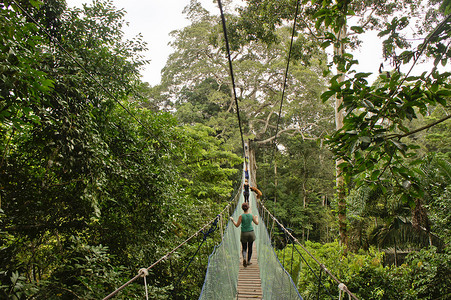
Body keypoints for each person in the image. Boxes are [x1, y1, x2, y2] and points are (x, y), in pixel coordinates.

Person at [230, 202, 259, 267]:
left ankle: (244, 258)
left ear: (242, 209)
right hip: (251, 233)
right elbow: (257, 223)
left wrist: (232, 220)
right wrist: (256, 217)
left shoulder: (241, 216)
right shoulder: (251, 216)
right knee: (250, 247)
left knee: (244, 248)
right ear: (248, 208)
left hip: (244, 234)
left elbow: (237, 225)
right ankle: (248, 261)